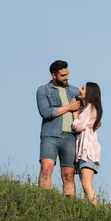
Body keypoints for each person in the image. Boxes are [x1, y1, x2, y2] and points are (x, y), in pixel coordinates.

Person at [36, 60, 81, 195]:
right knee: (46, 168)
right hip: (50, 135)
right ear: (53, 75)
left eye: (67, 74)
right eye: (63, 75)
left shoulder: (74, 91)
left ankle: (68, 207)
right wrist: (69, 107)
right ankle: (43, 201)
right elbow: (46, 112)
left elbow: (90, 105)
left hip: (70, 137)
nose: (66, 77)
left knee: (68, 173)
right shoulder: (43, 90)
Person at [72, 82, 103, 204]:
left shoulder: (89, 108)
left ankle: (96, 210)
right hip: (86, 151)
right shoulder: (87, 108)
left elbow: (79, 126)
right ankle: (93, 208)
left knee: (86, 183)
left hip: (87, 151)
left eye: (83, 89)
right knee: (85, 183)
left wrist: (75, 114)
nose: (80, 90)